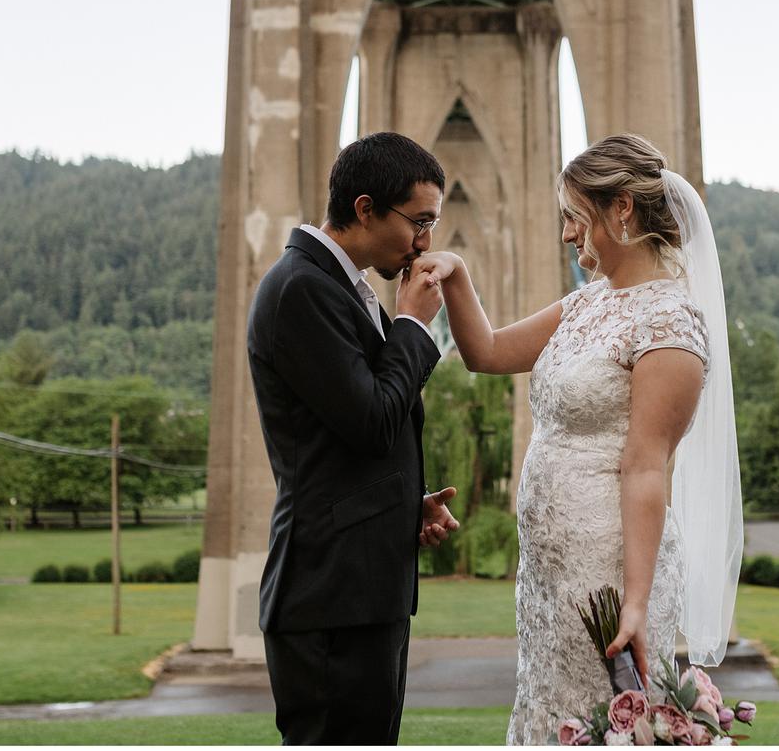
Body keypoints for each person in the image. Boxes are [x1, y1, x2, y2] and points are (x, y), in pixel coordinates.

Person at [413, 133, 743, 745]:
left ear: (621, 208)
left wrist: (637, 603)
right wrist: (455, 275)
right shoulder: (585, 305)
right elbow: (484, 352)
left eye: (574, 215)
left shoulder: (670, 324)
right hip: (547, 573)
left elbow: (647, 469)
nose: (567, 233)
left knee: (594, 717)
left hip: (609, 569)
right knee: (545, 707)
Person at [247, 131, 463, 745]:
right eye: (418, 221)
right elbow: (372, 421)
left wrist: (401, 506)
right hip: (329, 600)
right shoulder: (302, 288)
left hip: (359, 592)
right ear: (365, 208)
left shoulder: (340, 286)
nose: (426, 242)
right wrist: (414, 329)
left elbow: (342, 436)